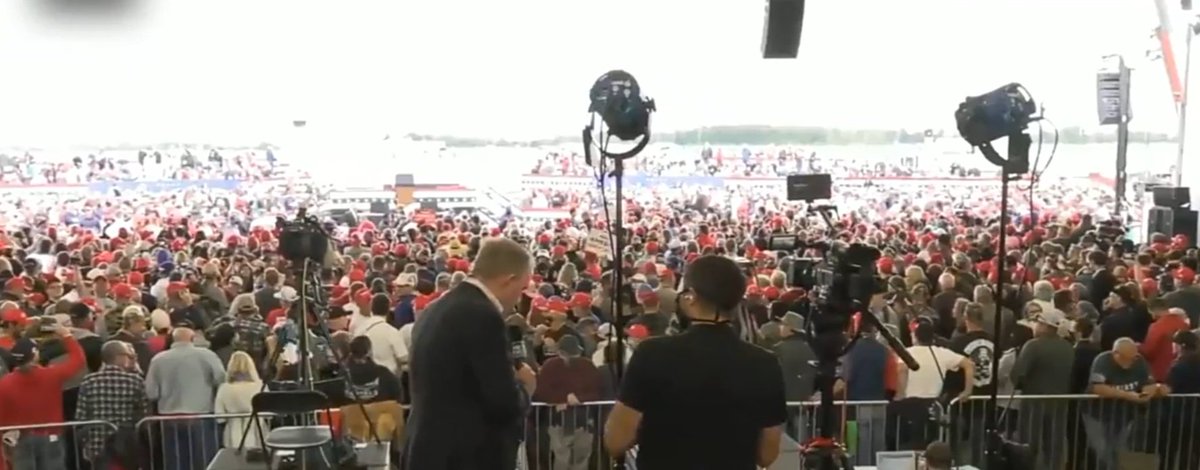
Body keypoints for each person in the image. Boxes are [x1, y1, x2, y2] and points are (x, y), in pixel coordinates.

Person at [603, 255, 787, 470]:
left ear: (691, 296)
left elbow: (616, 441)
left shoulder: (652, 354)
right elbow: (767, 455)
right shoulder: (765, 363)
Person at [403, 238, 538, 470]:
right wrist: (526, 388)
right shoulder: (482, 316)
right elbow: (502, 402)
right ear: (509, 279)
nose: (519, 299)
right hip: (466, 456)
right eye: (522, 288)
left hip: (426, 451)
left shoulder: (436, 309)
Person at [0, 324, 84, 470]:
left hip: (20, 439)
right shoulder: (51, 375)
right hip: (51, 436)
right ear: (35, 355)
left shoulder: (4, 383)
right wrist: (67, 336)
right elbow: (78, 360)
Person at [144, 327, 227, 470]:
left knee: (175, 461)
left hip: (169, 418)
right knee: (204, 460)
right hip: (201, 415)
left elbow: (151, 392)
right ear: (193, 338)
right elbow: (221, 379)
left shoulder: (158, 359)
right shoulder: (206, 355)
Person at [1083, 337, 1166, 470]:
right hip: (1097, 414)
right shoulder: (1102, 361)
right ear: (1115, 353)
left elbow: (1148, 383)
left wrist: (1150, 391)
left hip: (1124, 416)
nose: (1130, 362)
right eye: (1125, 358)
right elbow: (1097, 387)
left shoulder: (1139, 361)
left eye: (1132, 358)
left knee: (1116, 450)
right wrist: (1129, 395)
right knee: (1103, 450)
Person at [75, 340, 149, 469]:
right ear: (119, 357)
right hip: (127, 443)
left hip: (97, 443)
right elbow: (144, 413)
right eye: (128, 356)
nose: (130, 359)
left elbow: (81, 417)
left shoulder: (88, 381)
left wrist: (85, 443)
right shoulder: (135, 380)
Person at [213, 351, 267, 450]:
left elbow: (220, 416)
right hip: (257, 431)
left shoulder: (224, 388)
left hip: (232, 434)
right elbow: (269, 413)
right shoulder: (260, 386)